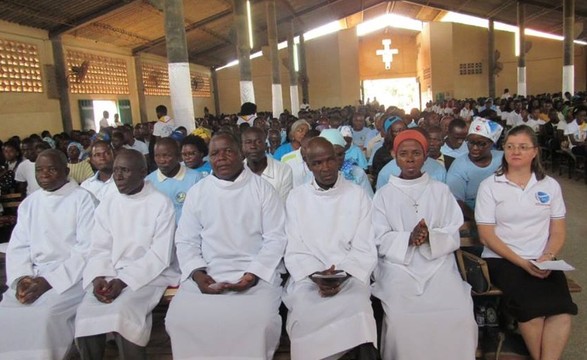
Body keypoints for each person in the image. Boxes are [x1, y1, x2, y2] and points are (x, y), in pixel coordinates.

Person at [166, 133, 286, 359]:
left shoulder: (263, 190)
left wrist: (252, 275)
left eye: (227, 151)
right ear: (208, 159)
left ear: (241, 153)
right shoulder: (198, 192)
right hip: (209, 272)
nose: (221, 157)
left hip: (255, 274)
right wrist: (198, 274)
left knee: (258, 322)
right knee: (180, 319)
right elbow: (186, 240)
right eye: (214, 153)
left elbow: (276, 238)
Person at [371, 130, 477, 360]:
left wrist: (430, 237)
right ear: (393, 155)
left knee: (459, 313)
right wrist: (408, 238)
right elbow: (378, 237)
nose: (410, 159)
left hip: (438, 264)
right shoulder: (383, 195)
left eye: (416, 153)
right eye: (403, 154)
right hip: (398, 267)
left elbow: (453, 230)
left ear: (425, 155)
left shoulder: (440, 191)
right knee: (401, 319)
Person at [475, 125, 577, 360]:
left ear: (535, 152)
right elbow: (487, 235)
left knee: (561, 312)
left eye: (523, 147)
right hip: (504, 259)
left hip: (543, 259)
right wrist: (522, 262)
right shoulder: (490, 186)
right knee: (532, 312)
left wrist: (548, 256)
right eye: (510, 147)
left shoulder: (549, 185)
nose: (515, 152)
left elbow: (558, 230)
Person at [75, 149, 179, 359]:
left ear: (142, 172)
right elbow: (99, 247)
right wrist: (97, 278)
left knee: (122, 313)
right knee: (86, 315)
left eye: (124, 170)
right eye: (115, 171)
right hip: (110, 273)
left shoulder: (160, 203)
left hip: (149, 274)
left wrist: (123, 281)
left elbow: (159, 254)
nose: (118, 176)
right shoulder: (109, 203)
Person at [283, 137, 378, 360]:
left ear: (337, 160)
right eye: (317, 163)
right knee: (305, 310)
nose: (325, 168)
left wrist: (341, 275)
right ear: (308, 165)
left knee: (359, 308)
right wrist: (317, 276)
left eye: (329, 160)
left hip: (350, 277)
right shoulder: (296, 198)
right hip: (308, 280)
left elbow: (364, 245)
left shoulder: (357, 195)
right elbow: (295, 246)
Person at [0, 149, 96, 359]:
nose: (44, 174)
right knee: (5, 314)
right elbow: (19, 246)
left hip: (70, 279)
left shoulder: (83, 200)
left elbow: (87, 249)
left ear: (66, 170)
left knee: (44, 316)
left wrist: (48, 281)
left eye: (51, 169)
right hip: (33, 274)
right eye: (39, 170)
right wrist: (22, 278)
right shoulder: (30, 203)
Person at [447, 117, 503, 220]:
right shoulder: (459, 166)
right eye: (471, 142)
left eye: (481, 144)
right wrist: (479, 220)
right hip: (471, 217)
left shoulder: (503, 159)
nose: (475, 148)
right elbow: (456, 201)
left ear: (491, 143)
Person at [146, 138, 203, 222]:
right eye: (157, 156)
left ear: (179, 157)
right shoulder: (149, 181)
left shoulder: (196, 178)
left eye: (167, 155)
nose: (161, 160)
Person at [242, 127, 293, 202]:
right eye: (248, 142)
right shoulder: (234, 172)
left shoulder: (283, 170)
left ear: (266, 146)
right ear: (242, 146)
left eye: (258, 142)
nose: (253, 146)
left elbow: (282, 205)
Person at [320, 129, 374, 198]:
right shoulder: (313, 175)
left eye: (340, 154)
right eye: (331, 156)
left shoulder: (357, 173)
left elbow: (369, 202)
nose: (336, 159)